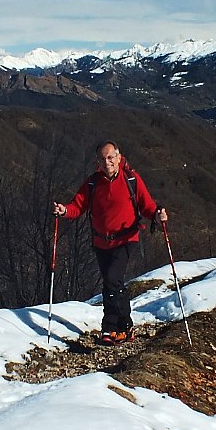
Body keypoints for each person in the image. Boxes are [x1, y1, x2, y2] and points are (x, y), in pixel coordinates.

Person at [54, 141, 167, 344]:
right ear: (98, 161)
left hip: (126, 239)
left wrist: (158, 216)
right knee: (113, 283)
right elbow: (77, 205)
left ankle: (110, 327)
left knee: (112, 280)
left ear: (118, 157)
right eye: (103, 158)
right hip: (101, 243)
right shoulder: (93, 183)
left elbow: (147, 205)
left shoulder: (131, 179)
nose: (107, 162)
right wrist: (64, 211)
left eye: (110, 157)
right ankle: (125, 326)